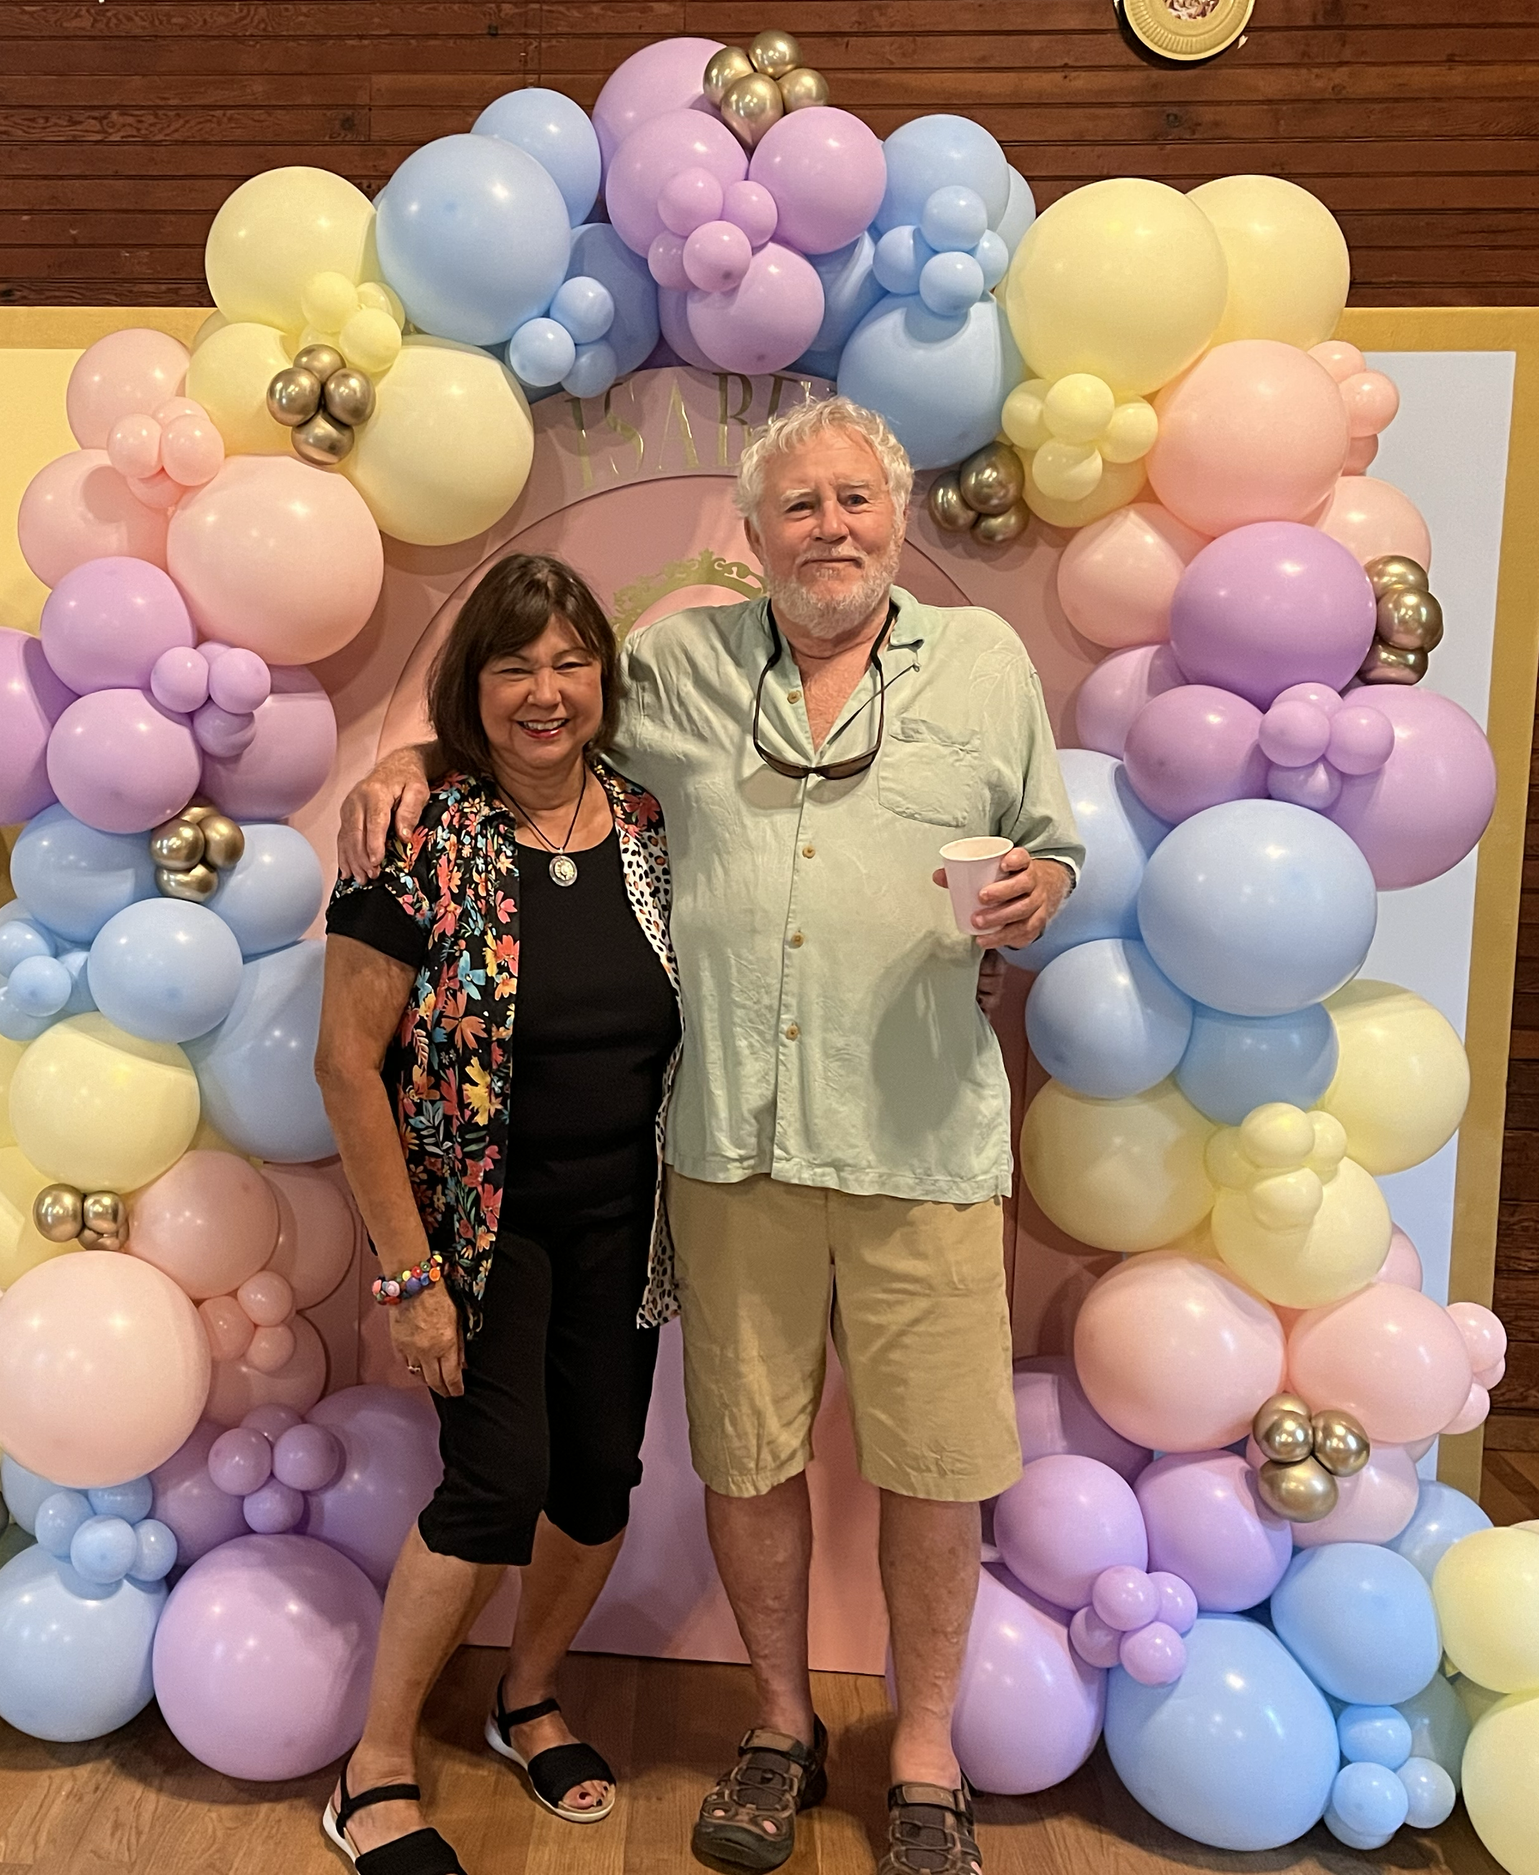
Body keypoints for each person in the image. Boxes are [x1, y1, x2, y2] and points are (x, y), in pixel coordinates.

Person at [340, 398, 1081, 1875]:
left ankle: (923, 1755)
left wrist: (1044, 889)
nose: (831, 527)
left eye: (855, 499)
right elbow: (524, 719)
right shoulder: (679, 662)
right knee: (745, 1457)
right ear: (753, 536)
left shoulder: (985, 664)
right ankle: (780, 1723)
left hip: (918, 1139)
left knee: (933, 1464)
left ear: (897, 513)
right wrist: (408, 761)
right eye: (798, 505)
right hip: (728, 1149)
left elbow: (1050, 843)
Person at [314, 554, 681, 1875]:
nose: (546, 690)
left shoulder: (650, 822)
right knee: (495, 1480)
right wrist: (408, 1281)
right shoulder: (416, 832)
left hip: (629, 1223)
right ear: (472, 686)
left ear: (603, 677)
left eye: (570, 660)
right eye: (514, 663)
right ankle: (376, 1769)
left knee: (596, 1477)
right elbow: (345, 1064)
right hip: (478, 1232)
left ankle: (527, 1697)